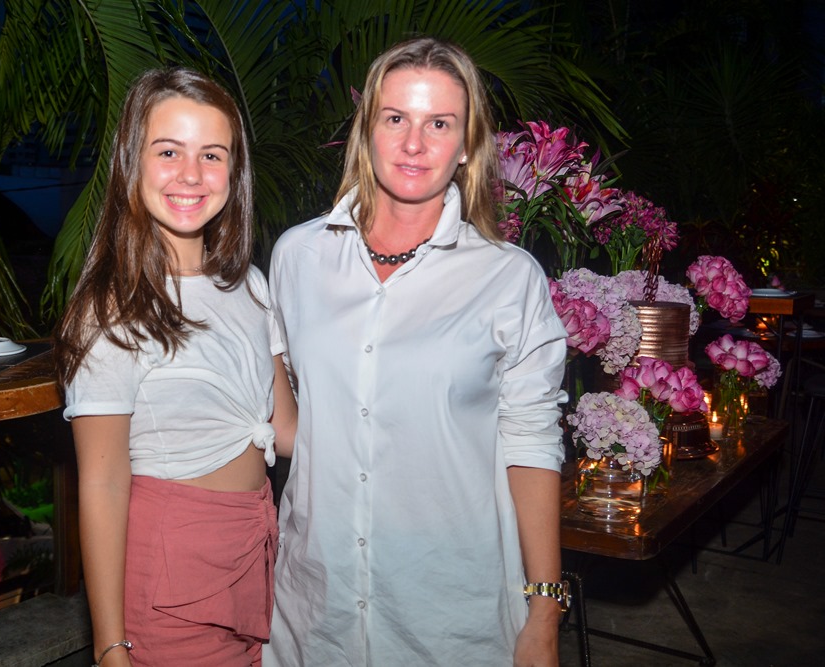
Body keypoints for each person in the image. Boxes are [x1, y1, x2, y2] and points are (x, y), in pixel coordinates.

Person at [266, 37, 569, 666]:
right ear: (366, 132)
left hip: (450, 612)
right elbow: (287, 414)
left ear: (466, 146)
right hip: (315, 608)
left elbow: (532, 444)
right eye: (395, 118)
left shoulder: (508, 278)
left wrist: (544, 611)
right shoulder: (298, 257)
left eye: (439, 124)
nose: (413, 143)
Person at [55, 67, 297, 667]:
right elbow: (103, 483)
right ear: (132, 162)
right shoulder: (110, 309)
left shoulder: (250, 285)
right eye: (169, 151)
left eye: (211, 155)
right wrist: (110, 646)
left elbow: (286, 430)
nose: (191, 174)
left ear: (234, 173)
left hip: (258, 550)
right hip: (171, 576)